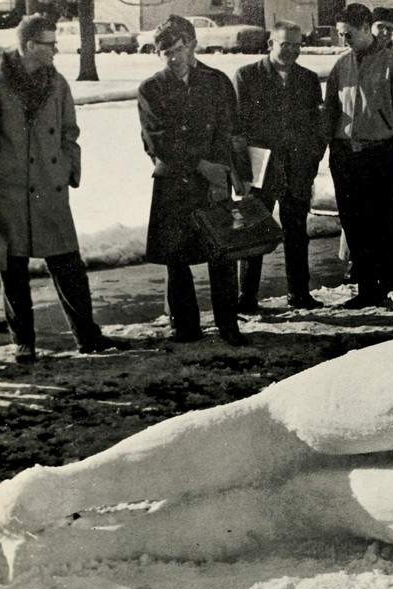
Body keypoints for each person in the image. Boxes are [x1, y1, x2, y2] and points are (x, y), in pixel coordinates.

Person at [0, 15, 125, 363]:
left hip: (49, 189)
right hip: (9, 193)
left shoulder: (57, 83)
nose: (56, 49)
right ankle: (23, 343)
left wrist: (68, 167)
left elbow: (70, 131)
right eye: (50, 44)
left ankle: (88, 336)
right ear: (30, 46)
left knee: (69, 265)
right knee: (13, 271)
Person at [137, 15, 246, 346]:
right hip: (174, 181)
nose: (173, 58)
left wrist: (223, 173)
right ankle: (185, 326)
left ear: (192, 45)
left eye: (178, 49)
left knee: (222, 254)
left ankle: (228, 324)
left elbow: (228, 130)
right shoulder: (151, 89)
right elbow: (158, 140)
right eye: (165, 52)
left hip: (214, 180)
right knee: (177, 258)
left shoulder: (217, 82)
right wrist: (200, 165)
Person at [324, 3, 393, 313]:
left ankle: (391, 289)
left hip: (379, 155)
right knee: (353, 226)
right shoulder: (341, 65)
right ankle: (367, 289)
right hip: (344, 157)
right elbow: (330, 112)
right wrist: (327, 147)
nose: (344, 41)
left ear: (366, 29)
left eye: (348, 35)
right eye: (341, 35)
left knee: (381, 226)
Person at [233, 20, 326, 312]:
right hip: (260, 169)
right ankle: (246, 298)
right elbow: (237, 128)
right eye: (285, 44)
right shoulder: (247, 76)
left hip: (297, 169)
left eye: (297, 45)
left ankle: (299, 294)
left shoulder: (308, 79)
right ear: (270, 43)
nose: (291, 51)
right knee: (254, 232)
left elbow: (318, 127)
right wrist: (243, 172)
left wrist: (311, 161)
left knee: (297, 232)